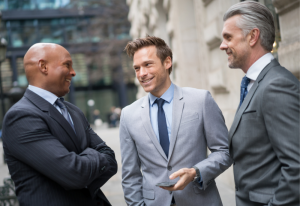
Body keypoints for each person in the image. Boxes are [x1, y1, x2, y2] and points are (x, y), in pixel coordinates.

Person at [120, 36, 232, 206]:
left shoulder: (200, 100)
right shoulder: (128, 115)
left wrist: (196, 172)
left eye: (148, 64)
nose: (142, 74)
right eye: (137, 68)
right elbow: (130, 176)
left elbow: (224, 151)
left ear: (167, 62)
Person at [2, 43, 118, 206]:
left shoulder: (73, 110)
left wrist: (82, 165)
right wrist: (90, 161)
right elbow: (74, 173)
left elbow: (110, 158)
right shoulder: (21, 117)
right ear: (43, 66)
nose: (73, 72)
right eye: (67, 65)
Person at [220, 2, 299, 206]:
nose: (222, 45)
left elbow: (296, 167)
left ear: (253, 36)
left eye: (228, 37)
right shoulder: (253, 83)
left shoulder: (276, 85)